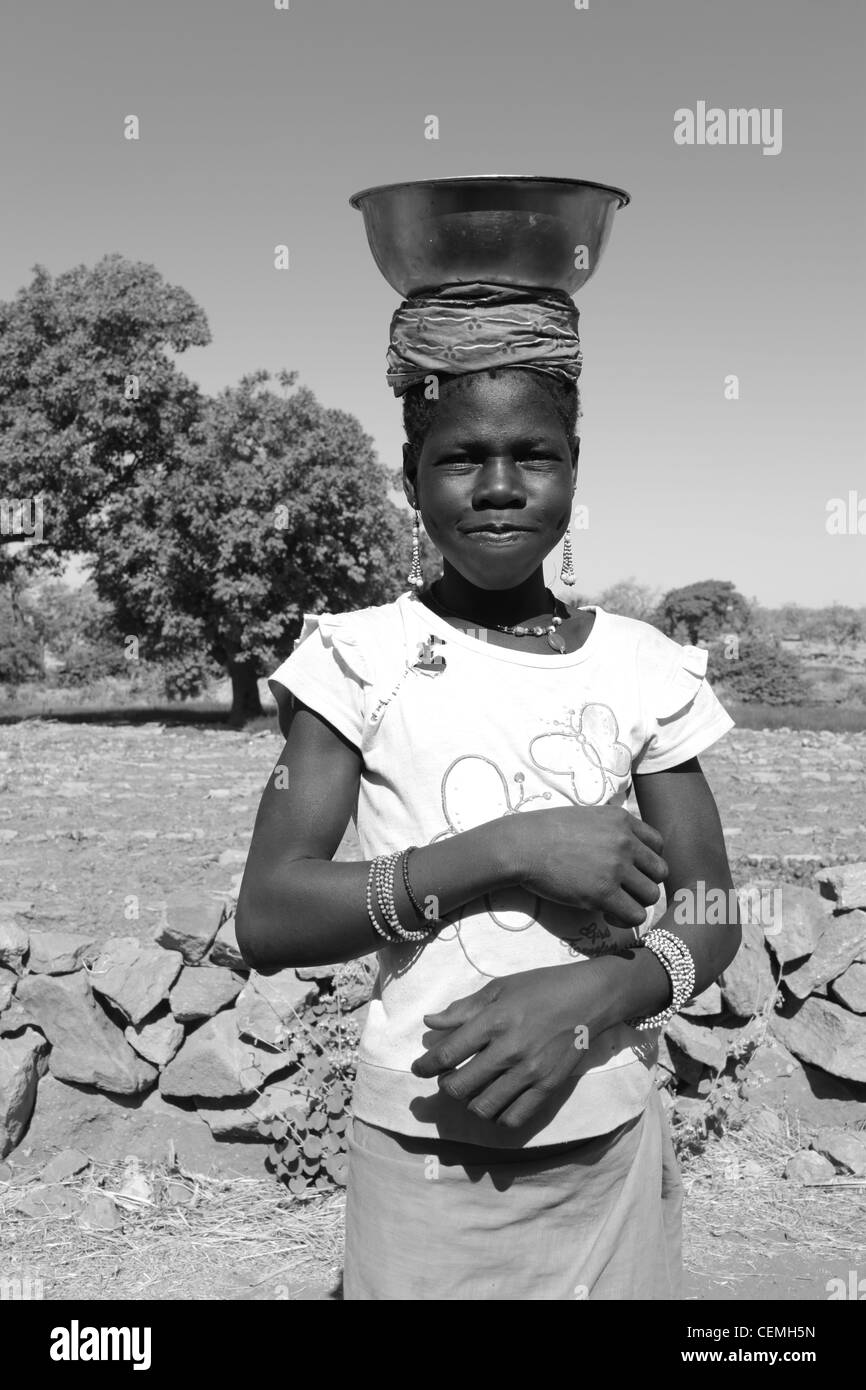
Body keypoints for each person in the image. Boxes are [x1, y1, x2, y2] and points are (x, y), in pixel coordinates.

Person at [235, 278, 741, 1301]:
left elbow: (715, 910)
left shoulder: (643, 665)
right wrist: (506, 849)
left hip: (614, 1143)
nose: (498, 485)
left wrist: (604, 992)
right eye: (461, 456)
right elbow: (269, 913)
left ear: (573, 468)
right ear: (407, 476)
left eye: (533, 454)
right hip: (426, 1157)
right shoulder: (356, 661)